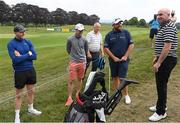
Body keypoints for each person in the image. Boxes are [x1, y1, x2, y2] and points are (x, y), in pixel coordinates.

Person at [7, 25, 42, 123]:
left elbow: (35, 56)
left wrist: (22, 56)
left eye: (24, 32)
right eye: (21, 32)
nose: (23, 33)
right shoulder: (11, 44)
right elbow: (15, 60)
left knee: (31, 91)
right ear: (15, 32)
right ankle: (17, 116)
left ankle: (30, 109)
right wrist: (28, 54)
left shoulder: (28, 42)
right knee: (18, 95)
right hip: (19, 72)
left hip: (30, 70)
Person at [148, 8, 178, 122]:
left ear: (168, 15)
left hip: (167, 60)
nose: (159, 16)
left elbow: (167, 46)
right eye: (158, 15)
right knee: (160, 84)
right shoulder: (165, 25)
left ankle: (161, 112)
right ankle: (160, 105)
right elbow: (161, 44)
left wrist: (159, 62)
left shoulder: (169, 26)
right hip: (164, 59)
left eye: (161, 14)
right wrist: (156, 57)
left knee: (161, 85)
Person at [104, 18, 134, 104]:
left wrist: (125, 56)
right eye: (118, 23)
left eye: (121, 23)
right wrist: (113, 57)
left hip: (123, 59)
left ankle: (126, 95)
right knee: (115, 77)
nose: (120, 25)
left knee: (122, 78)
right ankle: (117, 94)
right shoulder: (109, 35)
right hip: (113, 60)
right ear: (113, 25)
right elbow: (106, 48)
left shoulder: (126, 33)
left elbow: (131, 45)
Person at [65, 23, 91, 106]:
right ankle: (69, 98)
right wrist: (74, 57)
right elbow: (68, 50)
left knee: (80, 79)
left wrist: (85, 56)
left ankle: (77, 95)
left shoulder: (84, 40)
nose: (80, 32)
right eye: (79, 30)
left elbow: (86, 50)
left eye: (82, 30)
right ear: (75, 30)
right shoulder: (70, 39)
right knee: (71, 80)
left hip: (82, 62)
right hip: (73, 62)